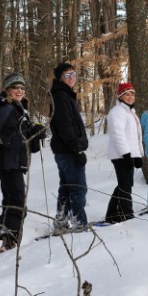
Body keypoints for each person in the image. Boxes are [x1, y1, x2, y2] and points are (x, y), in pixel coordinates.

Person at [0, 73, 45, 252]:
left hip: (13, 162)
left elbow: (24, 141)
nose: (19, 90)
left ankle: (8, 239)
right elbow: (5, 138)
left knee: (12, 200)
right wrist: (30, 134)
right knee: (17, 201)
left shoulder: (18, 109)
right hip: (9, 163)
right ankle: (10, 241)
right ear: (7, 90)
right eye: (15, 87)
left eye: (22, 88)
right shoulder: (7, 109)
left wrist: (35, 132)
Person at [49, 62, 89, 232]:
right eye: (67, 75)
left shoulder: (64, 95)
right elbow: (65, 126)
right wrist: (76, 148)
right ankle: (79, 223)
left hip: (64, 151)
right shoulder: (61, 96)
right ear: (60, 78)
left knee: (66, 187)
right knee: (78, 188)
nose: (71, 77)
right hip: (68, 151)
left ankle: (61, 221)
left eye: (73, 74)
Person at [105, 82, 144, 223]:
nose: (130, 97)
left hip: (129, 154)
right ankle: (126, 213)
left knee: (124, 184)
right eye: (127, 94)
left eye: (132, 94)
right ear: (121, 96)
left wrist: (138, 154)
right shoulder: (117, 112)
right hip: (120, 155)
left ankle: (111, 214)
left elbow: (136, 137)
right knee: (126, 184)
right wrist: (126, 154)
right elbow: (118, 135)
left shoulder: (130, 112)